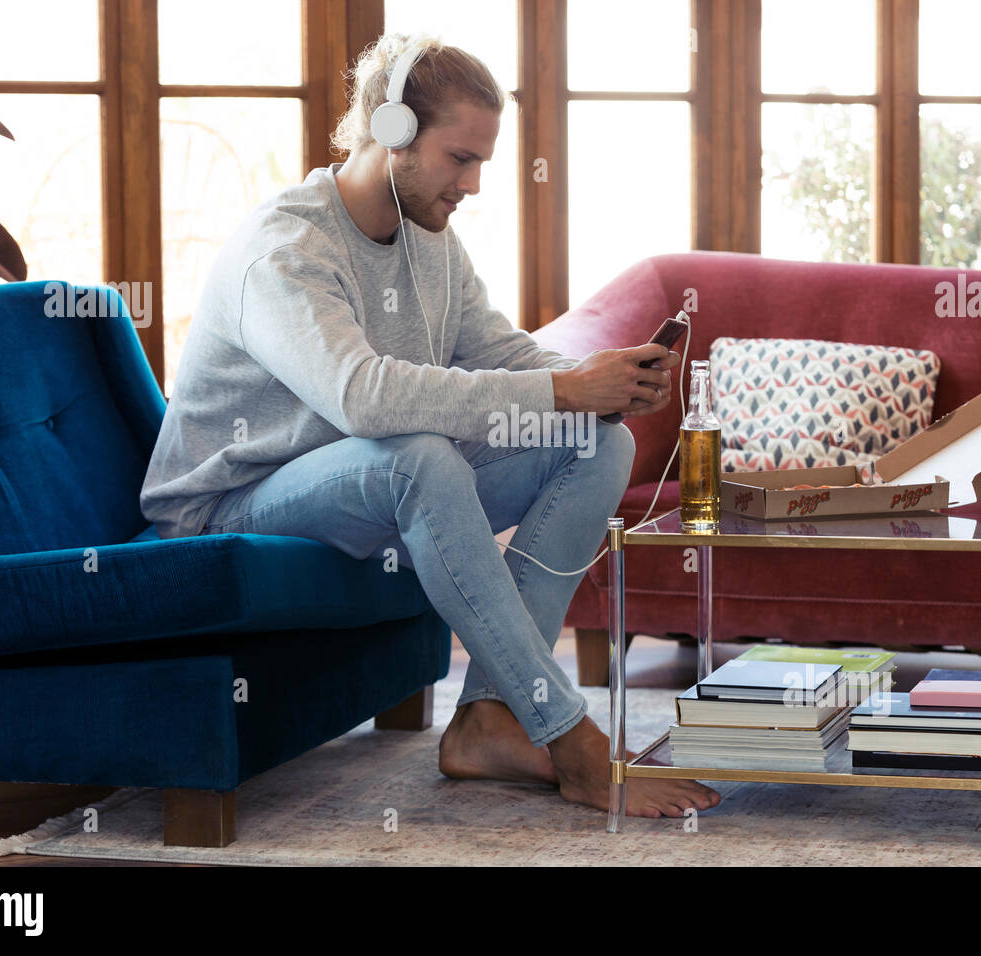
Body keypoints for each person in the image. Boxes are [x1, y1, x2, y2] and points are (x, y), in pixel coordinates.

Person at [140, 33, 720, 819]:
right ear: (391, 133)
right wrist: (562, 387)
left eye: (482, 161)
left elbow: (502, 353)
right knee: (417, 455)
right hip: (228, 508)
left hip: (355, 489)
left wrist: (602, 385)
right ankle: (569, 737)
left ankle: (488, 718)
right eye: (460, 158)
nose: (474, 184)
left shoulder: (430, 242)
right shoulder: (286, 250)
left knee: (594, 439)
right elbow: (364, 398)